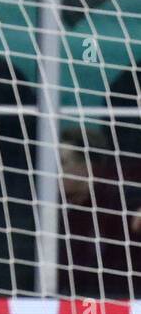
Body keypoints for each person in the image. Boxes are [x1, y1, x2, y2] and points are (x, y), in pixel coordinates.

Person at [57, 126, 141, 300]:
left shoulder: (118, 199)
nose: (55, 172)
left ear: (87, 167)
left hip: (123, 300)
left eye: (62, 163)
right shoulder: (52, 209)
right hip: (70, 300)